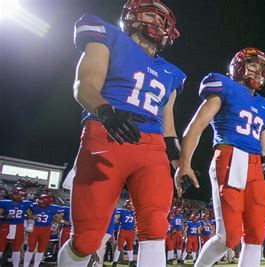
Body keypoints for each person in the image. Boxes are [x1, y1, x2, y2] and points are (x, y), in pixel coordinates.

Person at [58, 1, 185, 266]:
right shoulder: (108, 36)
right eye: (152, 14)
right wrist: (105, 111)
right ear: (132, 16)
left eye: (163, 20)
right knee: (86, 240)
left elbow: (168, 125)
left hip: (153, 146)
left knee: (155, 228)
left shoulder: (171, 73)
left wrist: (180, 163)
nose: (158, 24)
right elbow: (84, 84)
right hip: (107, 134)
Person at [175, 47, 265, 267]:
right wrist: (185, 163)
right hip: (230, 157)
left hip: (256, 165)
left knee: (256, 234)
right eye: (253, 65)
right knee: (228, 237)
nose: (258, 72)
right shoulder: (224, 85)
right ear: (239, 65)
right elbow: (197, 126)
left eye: (262, 69)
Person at [24, 194, 64, 267]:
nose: (39, 204)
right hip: (35, 228)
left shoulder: (53, 208)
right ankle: (25, 265)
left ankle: (36, 265)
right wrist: (30, 216)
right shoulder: (34, 206)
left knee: (41, 249)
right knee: (30, 248)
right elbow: (25, 207)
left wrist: (56, 222)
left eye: (42, 203)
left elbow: (62, 214)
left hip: (46, 229)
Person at [0, 187, 33, 267]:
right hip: (6, 226)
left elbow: (30, 216)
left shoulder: (26, 204)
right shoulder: (4, 203)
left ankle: (15, 265)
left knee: (17, 247)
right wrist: (4, 217)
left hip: (19, 226)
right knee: (1, 246)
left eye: (21, 195)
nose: (20, 197)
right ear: (13, 194)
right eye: (18, 195)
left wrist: (30, 222)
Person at [113, 200, 136, 266]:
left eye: (132, 205)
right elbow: (116, 219)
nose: (131, 206)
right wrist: (115, 220)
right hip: (123, 230)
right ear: (126, 205)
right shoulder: (121, 211)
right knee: (119, 246)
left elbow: (135, 222)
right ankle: (115, 262)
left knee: (130, 247)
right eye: (130, 204)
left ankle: (131, 262)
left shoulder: (133, 212)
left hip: (131, 231)